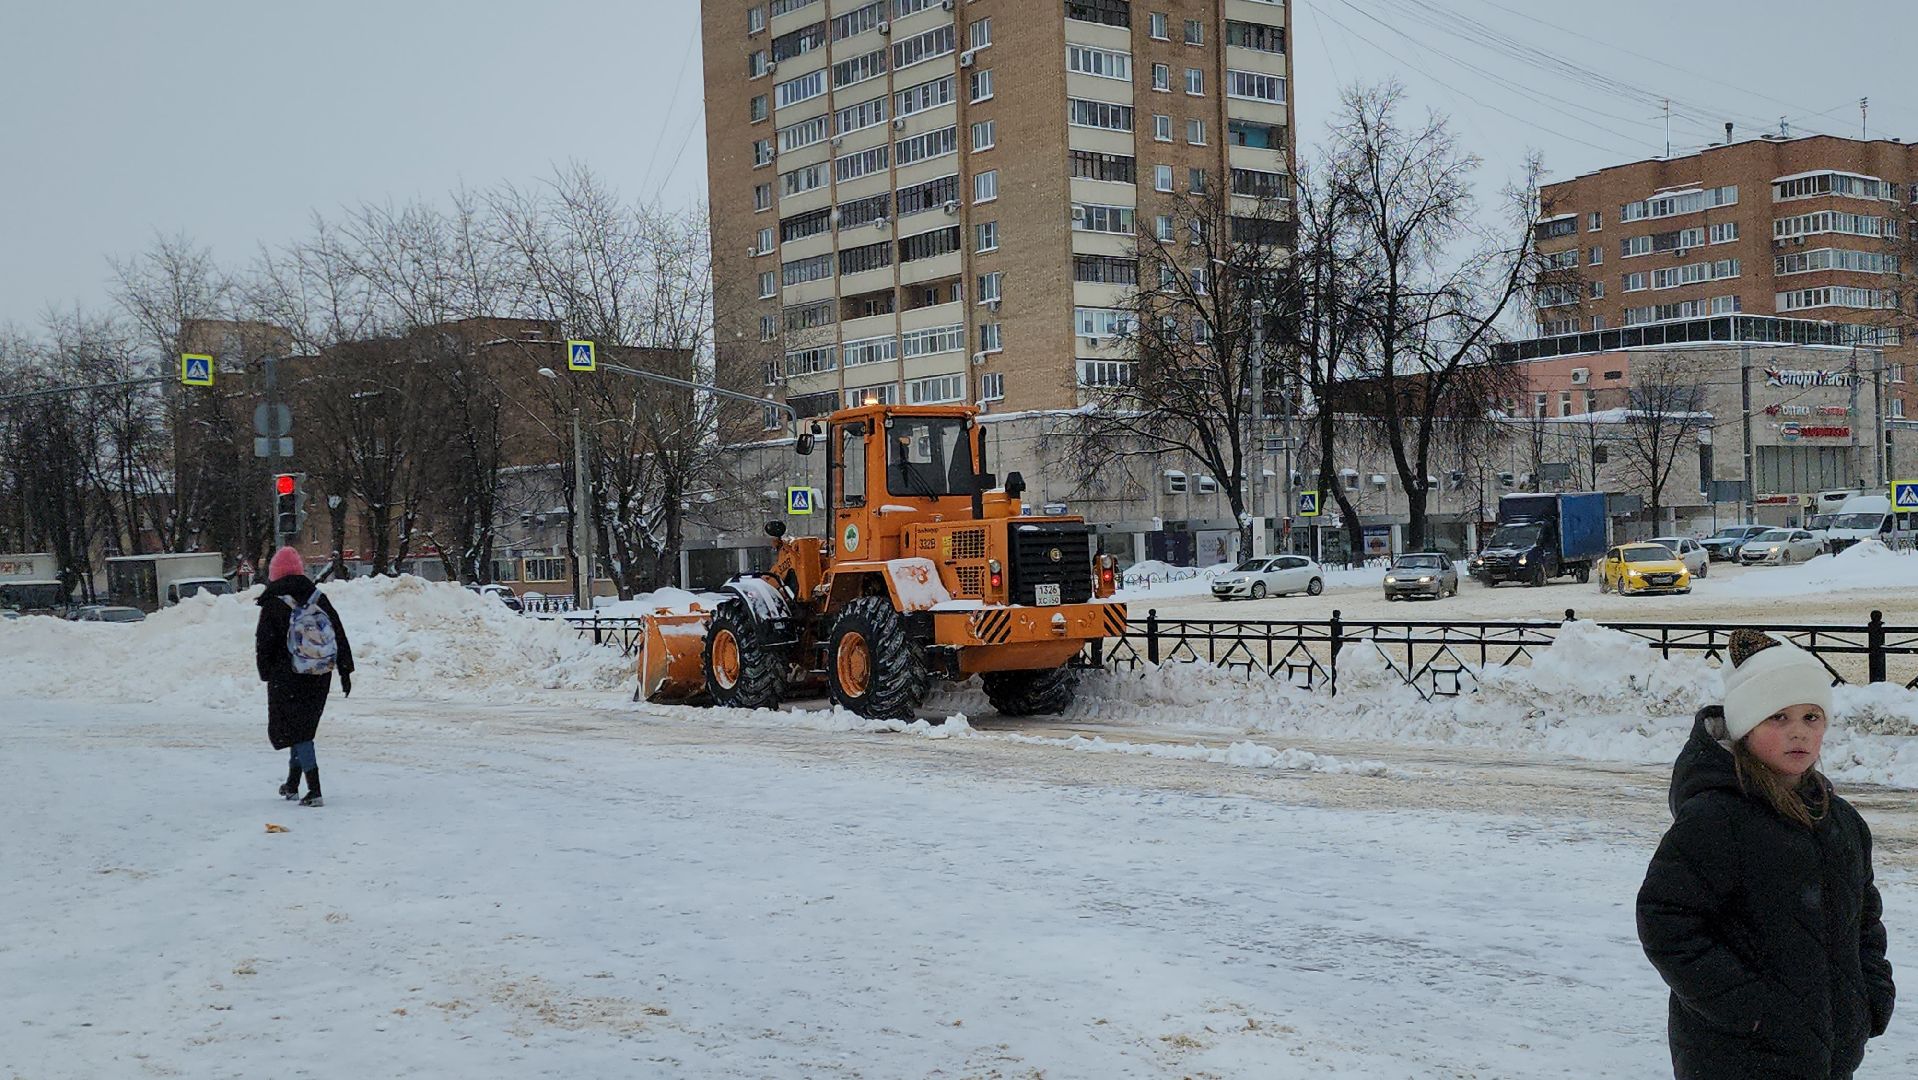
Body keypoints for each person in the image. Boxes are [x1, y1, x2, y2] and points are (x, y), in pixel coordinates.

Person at [1638, 629, 1894, 1078]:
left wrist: (1871, 992)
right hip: (1736, 1056)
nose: (1798, 732)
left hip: (1828, 1054)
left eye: (1811, 717)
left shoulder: (1841, 821)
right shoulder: (1716, 818)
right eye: (1777, 718)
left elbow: (1864, 917)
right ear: (1744, 727)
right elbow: (1667, 920)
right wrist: (1748, 1010)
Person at [254, 546, 354, 807]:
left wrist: (266, 673)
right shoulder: (318, 597)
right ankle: (292, 784)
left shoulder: (273, 602)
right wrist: (345, 669)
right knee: (302, 728)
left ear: (275, 573)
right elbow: (338, 631)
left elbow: (264, 642)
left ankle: (315, 789)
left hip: (287, 675)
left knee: (298, 731)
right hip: (319, 673)